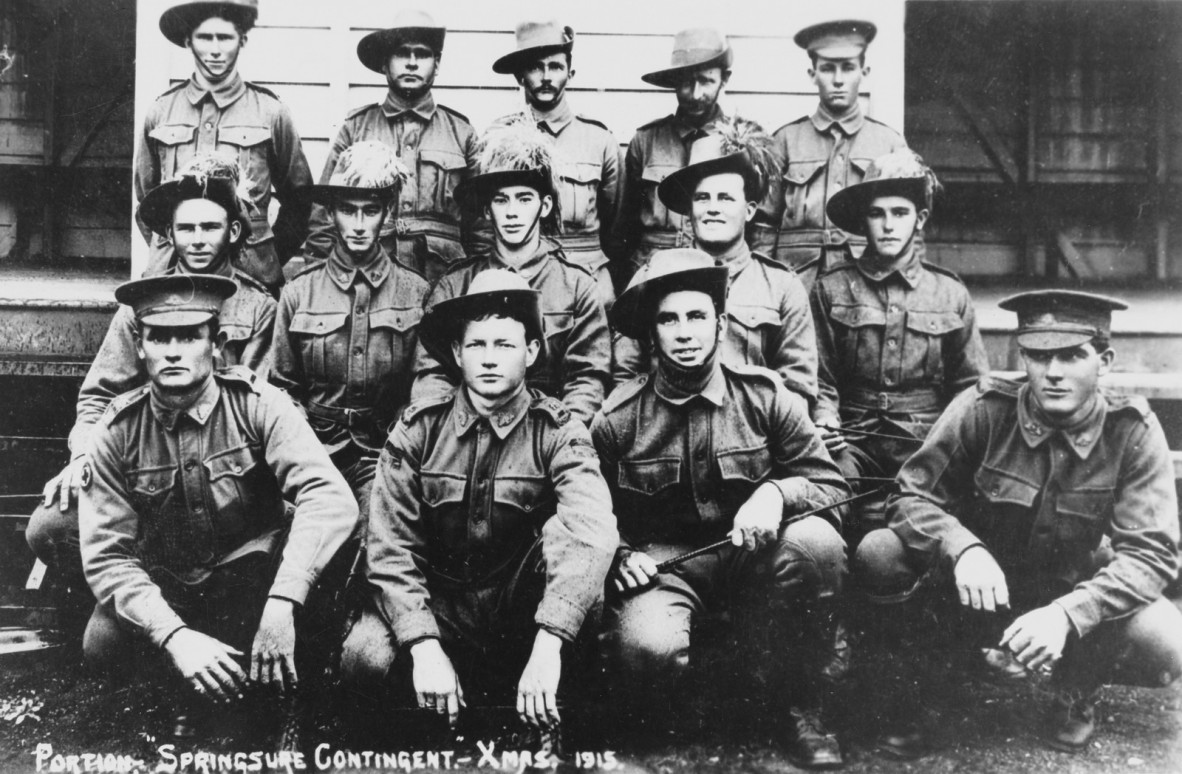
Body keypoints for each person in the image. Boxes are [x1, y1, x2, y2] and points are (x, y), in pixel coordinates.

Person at [854, 290, 1182, 757]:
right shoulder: (984, 408)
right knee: (880, 552)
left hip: (1069, 599)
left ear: (1104, 361)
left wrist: (1070, 614)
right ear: (1021, 357)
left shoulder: (1131, 431)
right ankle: (924, 689)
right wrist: (962, 547)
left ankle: (1075, 687)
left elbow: (1151, 555)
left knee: (1168, 640)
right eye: (1038, 355)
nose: (1053, 372)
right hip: (978, 591)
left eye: (1072, 356)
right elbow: (911, 495)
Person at [594, 251, 851, 769]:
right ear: (651, 333)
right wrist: (619, 555)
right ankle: (667, 714)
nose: (684, 332)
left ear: (721, 322)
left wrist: (777, 493)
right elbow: (586, 512)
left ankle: (798, 705)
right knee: (648, 649)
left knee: (817, 547)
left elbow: (831, 485)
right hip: (666, 570)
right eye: (668, 319)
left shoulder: (764, 395)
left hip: (753, 556)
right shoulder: (617, 419)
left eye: (697, 316)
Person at [341, 269, 617, 743]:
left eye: (505, 345)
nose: (489, 360)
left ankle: (549, 723)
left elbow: (590, 528)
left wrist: (550, 640)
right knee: (364, 656)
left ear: (531, 352)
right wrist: (423, 644)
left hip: (523, 613)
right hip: (442, 607)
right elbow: (389, 548)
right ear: (456, 353)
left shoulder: (559, 432)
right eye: (477, 345)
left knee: (580, 586)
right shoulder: (419, 430)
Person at [78, 274, 357, 743]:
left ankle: (287, 702)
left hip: (253, 583)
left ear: (217, 343)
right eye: (158, 337)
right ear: (140, 346)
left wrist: (284, 598)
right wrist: (174, 636)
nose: (172, 351)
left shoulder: (260, 405)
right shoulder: (117, 432)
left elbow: (329, 499)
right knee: (101, 642)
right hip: (174, 586)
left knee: (310, 604)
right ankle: (180, 694)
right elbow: (107, 556)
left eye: (189, 336)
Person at [29, 154, 276, 605]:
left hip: (225, 475)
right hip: (145, 467)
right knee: (50, 526)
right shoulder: (140, 304)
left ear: (233, 232)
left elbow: (259, 408)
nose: (198, 240)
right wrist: (84, 453)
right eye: (186, 229)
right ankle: (138, 591)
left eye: (210, 227)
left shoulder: (258, 309)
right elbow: (100, 395)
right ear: (169, 234)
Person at [812, 149, 988, 540]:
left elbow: (971, 390)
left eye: (900, 212)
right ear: (864, 220)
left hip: (924, 441)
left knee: (938, 512)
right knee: (825, 504)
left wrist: (951, 444)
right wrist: (825, 417)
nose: (888, 225)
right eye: (877, 214)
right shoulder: (832, 288)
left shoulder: (949, 293)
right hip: (851, 438)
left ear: (920, 219)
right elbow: (818, 376)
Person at [411, 119, 611, 426]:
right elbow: (432, 376)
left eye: (524, 198)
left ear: (545, 207)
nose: (513, 212)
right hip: (468, 435)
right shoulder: (455, 286)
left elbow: (587, 379)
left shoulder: (577, 287)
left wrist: (558, 436)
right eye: (501, 200)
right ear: (488, 210)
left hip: (547, 438)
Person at [615, 117, 817, 413]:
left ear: (749, 211)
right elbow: (626, 374)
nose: (712, 208)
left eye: (725, 198)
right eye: (702, 198)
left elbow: (797, 385)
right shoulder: (652, 276)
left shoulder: (781, 287)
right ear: (689, 210)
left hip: (753, 440)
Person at [271, 142, 429, 515]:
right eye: (347, 210)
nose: (358, 225)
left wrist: (398, 444)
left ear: (387, 212)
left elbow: (424, 386)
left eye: (370, 211)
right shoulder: (298, 292)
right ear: (331, 213)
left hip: (385, 449)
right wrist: (304, 450)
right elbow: (282, 387)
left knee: (376, 528)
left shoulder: (415, 292)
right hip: (313, 450)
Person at [136, 0, 313, 294]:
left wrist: (265, 254)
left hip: (252, 277)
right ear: (188, 41)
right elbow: (147, 200)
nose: (215, 50)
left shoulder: (270, 112)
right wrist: (173, 248)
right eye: (205, 37)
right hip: (172, 277)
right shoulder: (161, 112)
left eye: (225, 38)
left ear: (241, 40)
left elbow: (300, 201)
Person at [302, 9, 482, 283]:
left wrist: (478, 284)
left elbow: (482, 227)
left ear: (437, 63)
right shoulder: (356, 129)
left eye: (421, 54)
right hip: (370, 281)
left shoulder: (461, 133)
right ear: (385, 63)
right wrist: (316, 285)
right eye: (401, 53)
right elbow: (324, 220)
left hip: (445, 281)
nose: (411, 63)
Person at [755, 19, 907, 285]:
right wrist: (765, 287)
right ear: (812, 74)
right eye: (827, 69)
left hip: (866, 282)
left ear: (864, 71)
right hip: (798, 282)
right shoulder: (785, 141)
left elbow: (907, 227)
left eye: (848, 68)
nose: (838, 80)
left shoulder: (889, 143)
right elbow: (764, 226)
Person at [490, 19, 622, 307]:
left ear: (570, 73)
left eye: (556, 66)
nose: (546, 76)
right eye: (536, 67)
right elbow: (482, 223)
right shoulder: (499, 140)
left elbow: (617, 226)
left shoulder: (599, 140)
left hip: (588, 278)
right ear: (520, 76)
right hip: (520, 278)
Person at [611, 28, 733, 279]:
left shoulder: (742, 141)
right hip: (652, 269)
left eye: (706, 81)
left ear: (724, 79)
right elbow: (624, 226)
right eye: (687, 82)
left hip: (715, 269)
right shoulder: (646, 140)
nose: (696, 94)